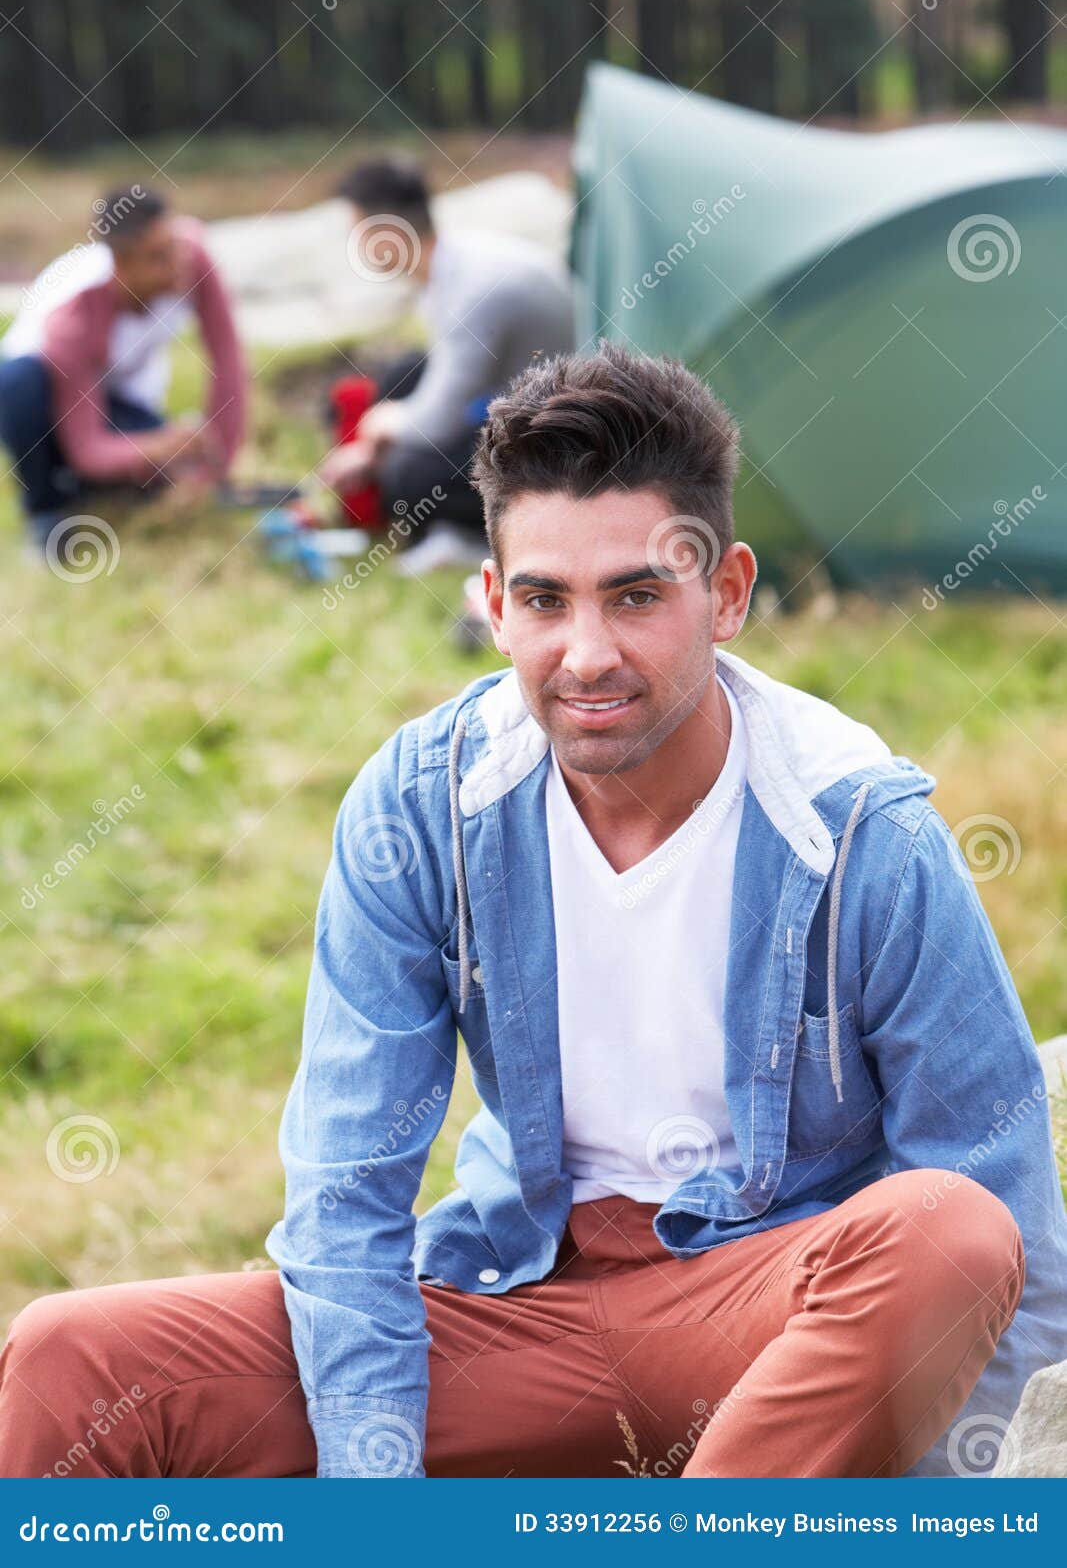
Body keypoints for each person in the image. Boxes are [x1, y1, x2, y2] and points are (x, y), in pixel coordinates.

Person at [2, 341, 1065, 1481]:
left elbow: (1006, 1230)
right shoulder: (422, 809)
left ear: (728, 594)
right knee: (72, 1355)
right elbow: (348, 1184)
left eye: (637, 595)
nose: (587, 653)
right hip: (513, 1302)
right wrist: (377, 1504)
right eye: (547, 601)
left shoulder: (862, 832)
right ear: (493, 605)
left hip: (767, 1324)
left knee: (947, 1233)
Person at [318, 156, 575, 574]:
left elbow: (438, 420)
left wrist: (379, 432)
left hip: (556, 443)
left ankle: (480, 538)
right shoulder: (454, 263)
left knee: (409, 475)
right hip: (512, 399)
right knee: (404, 373)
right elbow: (456, 385)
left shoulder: (475, 289)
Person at [0, 186, 246, 550]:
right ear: (122, 265)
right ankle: (47, 516)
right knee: (18, 384)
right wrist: (161, 447)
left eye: (173, 245)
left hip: (114, 399)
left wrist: (215, 470)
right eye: (158, 257)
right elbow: (88, 450)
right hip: (45, 394)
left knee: (163, 472)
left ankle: (99, 495)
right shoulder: (74, 319)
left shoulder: (191, 255)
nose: (176, 264)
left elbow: (228, 360)